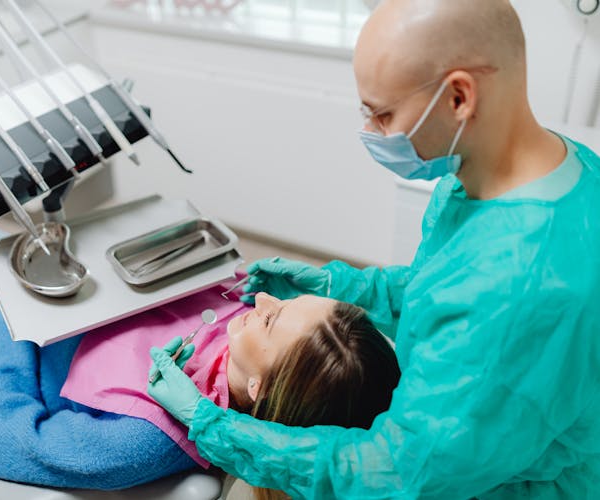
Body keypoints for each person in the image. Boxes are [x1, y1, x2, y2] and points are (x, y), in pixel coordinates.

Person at [147, 0, 600, 498]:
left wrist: (213, 427)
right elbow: (448, 285)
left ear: (458, 97)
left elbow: (397, 472)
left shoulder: (520, 282)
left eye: (383, 114)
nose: (373, 133)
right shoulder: (543, 170)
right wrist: (343, 286)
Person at [0, 205, 400, 491]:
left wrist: (13, 323)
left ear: (258, 388)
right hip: (54, 286)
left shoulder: (144, 441)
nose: (258, 304)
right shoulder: (243, 313)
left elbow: (3, 442)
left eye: (274, 318)